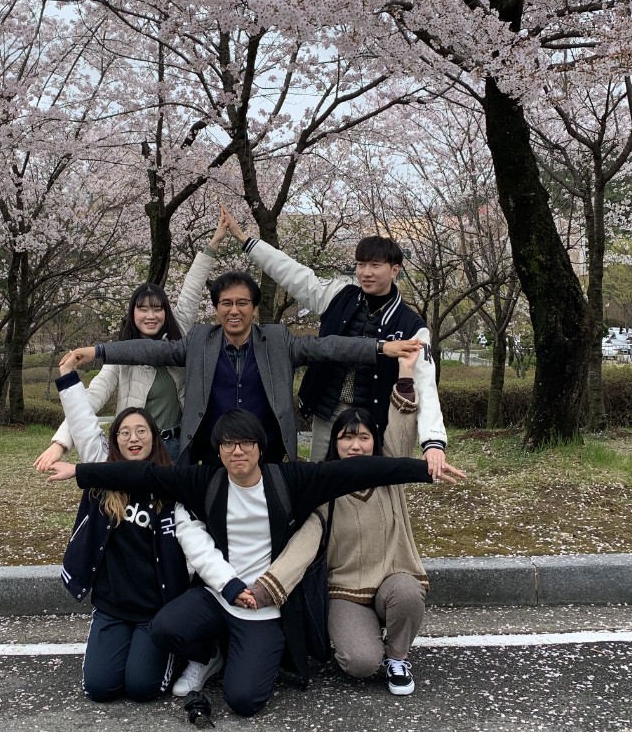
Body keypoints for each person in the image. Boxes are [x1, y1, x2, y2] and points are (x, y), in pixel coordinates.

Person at [43, 408, 465, 717]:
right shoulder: (206, 480)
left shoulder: (290, 480)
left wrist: (424, 468)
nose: (237, 451)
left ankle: (248, 653)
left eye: (245, 442)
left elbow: (362, 472)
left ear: (260, 447)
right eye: (228, 444)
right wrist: (81, 472)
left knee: (245, 701)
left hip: (265, 604)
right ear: (219, 451)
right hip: (217, 593)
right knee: (167, 626)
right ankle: (208, 651)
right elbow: (144, 476)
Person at [247, 349, 454, 696]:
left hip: (393, 579)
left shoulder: (390, 479)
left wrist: (405, 373)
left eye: (363, 437)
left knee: (407, 593)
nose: (355, 445)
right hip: (346, 593)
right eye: (346, 437)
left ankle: (398, 655)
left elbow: (402, 433)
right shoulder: (324, 492)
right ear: (334, 443)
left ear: (375, 443)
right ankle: (365, 635)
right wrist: (264, 590)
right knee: (360, 664)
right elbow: (303, 547)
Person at [62, 272, 422, 465]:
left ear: (253, 307)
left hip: (268, 453)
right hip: (210, 455)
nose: (234, 311)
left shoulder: (278, 340)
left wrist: (380, 347)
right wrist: (97, 350)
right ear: (216, 308)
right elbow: (151, 351)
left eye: (242, 303)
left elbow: (327, 346)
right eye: (226, 303)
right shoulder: (200, 340)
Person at [38, 354, 230, 703]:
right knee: (100, 688)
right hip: (112, 608)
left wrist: (229, 584)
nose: (133, 438)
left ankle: (200, 652)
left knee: (143, 688)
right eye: (124, 433)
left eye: (142, 431)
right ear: (115, 443)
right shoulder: (102, 476)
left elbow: (199, 547)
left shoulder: (171, 490)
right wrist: (68, 377)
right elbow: (83, 422)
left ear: (155, 439)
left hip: (154, 612)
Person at [221, 206, 447, 471]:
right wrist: (249, 243)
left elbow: (425, 383)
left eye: (375, 265)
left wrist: (433, 442)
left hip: (373, 419)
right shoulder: (341, 295)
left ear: (395, 269)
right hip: (328, 410)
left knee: (366, 486)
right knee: (321, 479)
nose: (366, 272)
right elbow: (293, 274)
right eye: (361, 264)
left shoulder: (411, 326)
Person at [35, 211, 227, 469]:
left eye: (157, 309)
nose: (151, 316)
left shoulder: (178, 333)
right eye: (143, 309)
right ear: (132, 313)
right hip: (136, 448)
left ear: (166, 311)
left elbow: (192, 288)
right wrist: (60, 442)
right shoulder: (121, 356)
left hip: (177, 445)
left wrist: (213, 243)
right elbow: (93, 397)